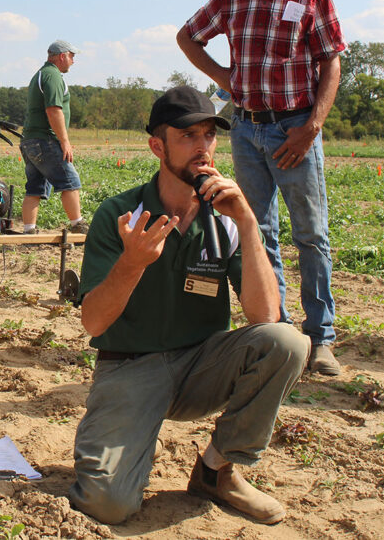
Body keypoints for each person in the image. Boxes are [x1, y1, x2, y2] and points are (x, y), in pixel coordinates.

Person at [69, 86, 309, 526]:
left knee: (286, 342)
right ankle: (137, 438)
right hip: (130, 367)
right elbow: (93, 321)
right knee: (108, 505)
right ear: (157, 146)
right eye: (187, 137)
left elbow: (264, 318)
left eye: (208, 135)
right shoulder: (122, 215)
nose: (203, 148)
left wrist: (249, 224)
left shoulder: (225, 219)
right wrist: (132, 263)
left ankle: (217, 471)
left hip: (200, 366)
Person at [177, 0, 346, 376]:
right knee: (259, 232)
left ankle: (322, 336)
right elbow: (187, 37)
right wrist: (223, 78)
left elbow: (331, 61)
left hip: (293, 128)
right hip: (247, 129)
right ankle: (281, 330)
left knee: (311, 235)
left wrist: (313, 126)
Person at [20, 39, 87, 234]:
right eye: (72, 56)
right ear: (62, 56)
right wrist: (65, 142)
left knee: (35, 187)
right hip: (45, 140)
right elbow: (53, 110)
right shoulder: (53, 76)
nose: (73, 61)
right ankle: (78, 225)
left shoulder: (40, 74)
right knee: (70, 182)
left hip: (31, 141)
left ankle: (29, 230)